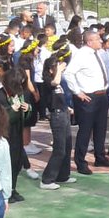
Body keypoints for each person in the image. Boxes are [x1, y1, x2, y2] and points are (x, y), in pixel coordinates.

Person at [65, 32, 109, 174]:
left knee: (101, 128)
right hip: (88, 97)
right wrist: (77, 92)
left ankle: (100, 156)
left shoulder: (98, 53)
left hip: (102, 95)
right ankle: (80, 161)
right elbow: (68, 73)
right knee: (85, 130)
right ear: (89, 42)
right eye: (97, 39)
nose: (100, 41)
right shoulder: (82, 55)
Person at [40, 46, 76, 187]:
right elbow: (54, 83)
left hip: (64, 114)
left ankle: (63, 175)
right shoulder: (48, 82)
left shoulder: (60, 82)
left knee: (67, 147)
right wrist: (59, 70)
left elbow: (59, 98)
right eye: (56, 67)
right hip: (57, 117)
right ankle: (47, 179)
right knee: (59, 149)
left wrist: (68, 107)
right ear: (50, 70)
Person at [0, 69, 31, 203]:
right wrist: (11, 110)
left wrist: (27, 109)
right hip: (5, 135)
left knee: (16, 163)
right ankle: (4, 191)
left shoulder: (18, 94)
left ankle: (12, 189)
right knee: (5, 164)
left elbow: (25, 115)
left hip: (17, 134)